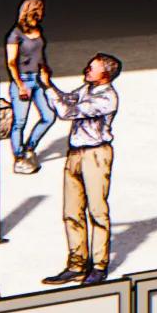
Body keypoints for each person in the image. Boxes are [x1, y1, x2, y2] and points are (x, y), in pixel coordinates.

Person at [53, 51, 124, 282]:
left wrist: (47, 89)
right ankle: (76, 264)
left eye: (91, 67)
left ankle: (99, 265)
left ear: (105, 74)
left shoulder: (107, 98)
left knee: (96, 211)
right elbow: (67, 98)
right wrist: (49, 86)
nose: (86, 69)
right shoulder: (86, 89)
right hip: (75, 153)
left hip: (96, 154)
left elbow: (67, 111)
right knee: (72, 211)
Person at [0, 0, 54, 239]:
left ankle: (29, 147)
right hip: (24, 81)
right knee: (20, 121)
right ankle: (19, 156)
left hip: (38, 78)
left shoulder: (38, 30)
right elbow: (11, 61)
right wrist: (19, 85)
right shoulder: (15, 34)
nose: (43, 13)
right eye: (39, 9)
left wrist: (46, 70)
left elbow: (41, 52)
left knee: (48, 116)